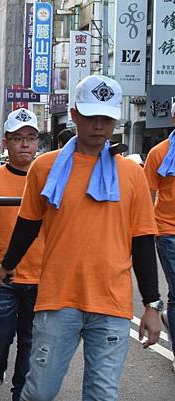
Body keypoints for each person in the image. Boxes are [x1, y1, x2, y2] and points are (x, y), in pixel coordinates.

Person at [0, 75, 163, 401]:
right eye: (90, 116)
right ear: (73, 114)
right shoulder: (44, 167)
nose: (98, 126)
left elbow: (142, 240)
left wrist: (152, 305)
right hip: (58, 299)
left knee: (102, 395)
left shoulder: (131, 174)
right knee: (39, 392)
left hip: (112, 304)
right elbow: (28, 225)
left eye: (106, 118)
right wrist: (7, 265)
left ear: (115, 119)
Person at [0, 108, 44, 401]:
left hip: (41, 274)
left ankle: (19, 393)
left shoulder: (49, 177)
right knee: (0, 337)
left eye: (31, 138)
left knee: (31, 340)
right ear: (5, 142)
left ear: (38, 141)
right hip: (2, 274)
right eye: (18, 138)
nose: (25, 144)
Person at [143, 102, 175, 372]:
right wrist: (150, 230)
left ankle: (169, 318)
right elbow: (147, 196)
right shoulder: (159, 153)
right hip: (168, 232)